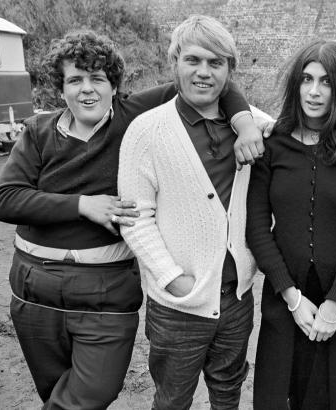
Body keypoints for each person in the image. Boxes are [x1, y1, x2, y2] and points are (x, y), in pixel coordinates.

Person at [0, 30, 263, 409]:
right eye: (75, 80)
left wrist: (244, 121)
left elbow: (210, 79)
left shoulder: (134, 116)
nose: (87, 90)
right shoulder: (39, 132)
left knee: (92, 392)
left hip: (105, 286)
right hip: (35, 286)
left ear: (114, 85)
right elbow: (5, 199)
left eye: (97, 79)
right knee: (55, 391)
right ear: (61, 88)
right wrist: (82, 205)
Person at [118, 15, 270, 410]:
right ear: (175, 63)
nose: (204, 72)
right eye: (194, 60)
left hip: (237, 299)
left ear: (229, 72)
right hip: (179, 306)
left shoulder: (254, 125)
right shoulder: (146, 130)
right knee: (172, 400)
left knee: (228, 393)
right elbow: (136, 217)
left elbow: (306, 131)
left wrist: (246, 122)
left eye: (216, 63)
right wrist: (170, 278)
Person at [246, 40, 336, 410]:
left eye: (327, 82)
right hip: (286, 301)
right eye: (307, 79)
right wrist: (290, 296)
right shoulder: (272, 144)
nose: (315, 91)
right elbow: (257, 226)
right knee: (279, 396)